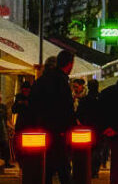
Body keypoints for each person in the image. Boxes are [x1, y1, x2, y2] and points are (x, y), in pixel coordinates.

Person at [28, 51, 77, 184]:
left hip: (41, 129)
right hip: (57, 130)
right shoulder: (61, 81)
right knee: (63, 166)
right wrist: (70, 126)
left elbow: (32, 105)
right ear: (70, 64)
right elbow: (66, 107)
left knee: (46, 166)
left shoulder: (40, 82)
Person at [77, 79, 105, 176]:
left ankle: (88, 169)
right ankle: (95, 170)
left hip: (87, 127)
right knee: (98, 150)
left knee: (88, 150)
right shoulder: (102, 99)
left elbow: (79, 114)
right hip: (99, 128)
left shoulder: (84, 100)